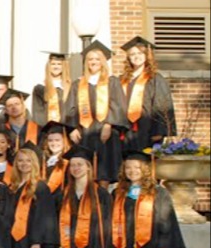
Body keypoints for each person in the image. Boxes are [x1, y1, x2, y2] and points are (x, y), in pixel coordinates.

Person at [66, 40, 129, 188]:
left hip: (106, 132)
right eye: (90, 59)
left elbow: (118, 104)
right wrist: (72, 128)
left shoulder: (112, 82)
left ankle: (103, 197)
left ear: (103, 62)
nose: (93, 62)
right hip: (85, 132)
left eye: (97, 59)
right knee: (86, 166)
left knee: (104, 167)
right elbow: (70, 108)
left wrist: (108, 124)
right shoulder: (78, 84)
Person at [120, 36, 177, 151]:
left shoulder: (155, 79)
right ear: (128, 58)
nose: (137, 57)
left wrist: (159, 131)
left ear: (147, 56)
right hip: (125, 130)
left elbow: (162, 106)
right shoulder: (121, 80)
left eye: (140, 53)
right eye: (133, 54)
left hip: (147, 129)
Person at [32, 52, 72, 127]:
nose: (56, 67)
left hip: (67, 130)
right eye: (53, 64)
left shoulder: (71, 88)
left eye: (59, 64)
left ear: (64, 66)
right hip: (47, 130)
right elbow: (38, 113)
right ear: (48, 66)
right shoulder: (40, 88)